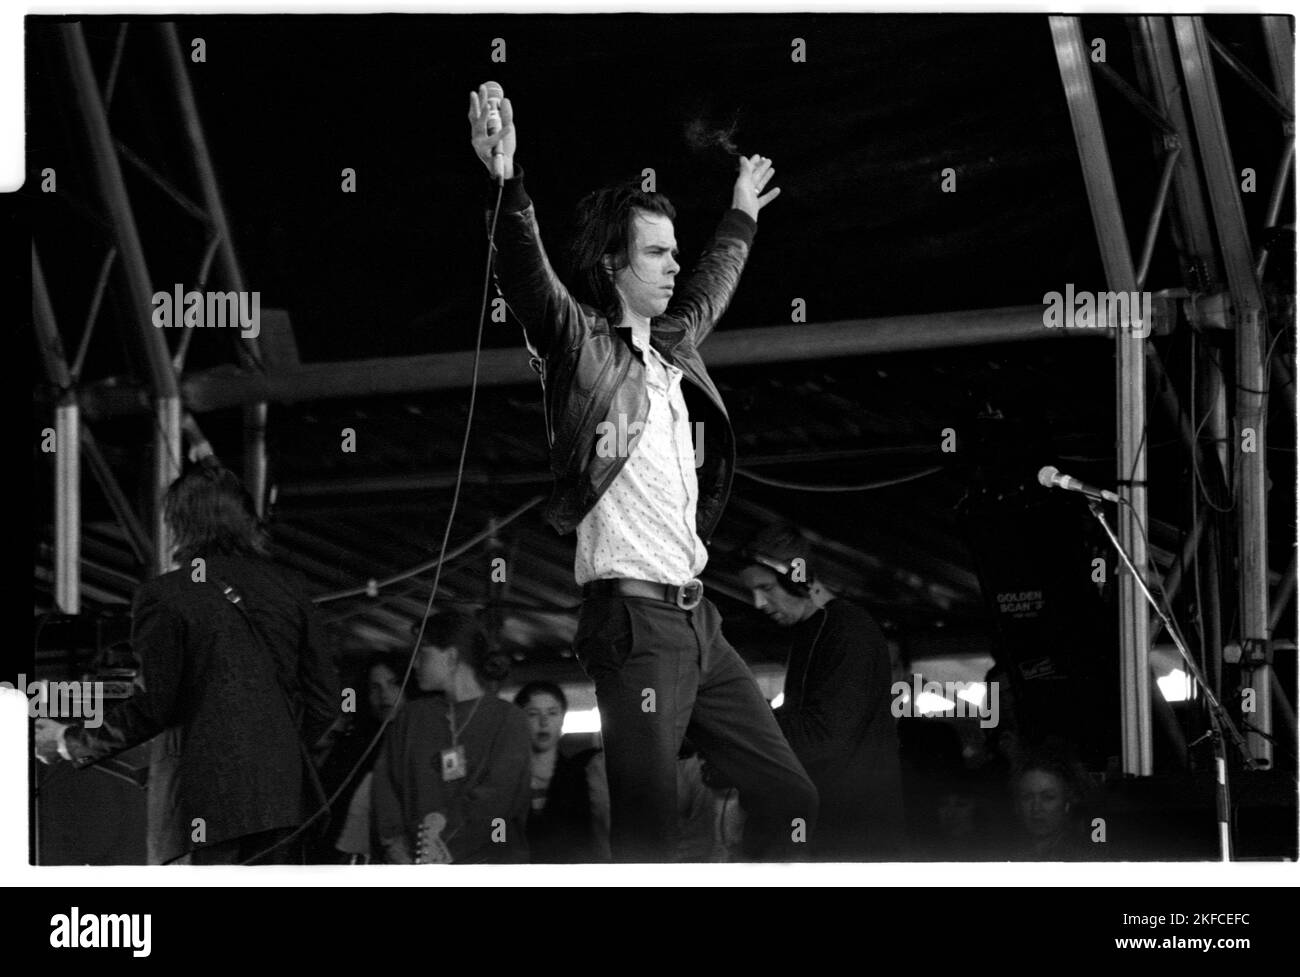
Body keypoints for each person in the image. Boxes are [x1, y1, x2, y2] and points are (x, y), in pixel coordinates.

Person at [468, 85, 817, 862]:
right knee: (649, 833)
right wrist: (506, 181)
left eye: (673, 250)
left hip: (701, 623)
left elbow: (711, 284)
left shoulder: (674, 347)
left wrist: (742, 214)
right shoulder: (582, 349)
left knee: (792, 794)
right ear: (612, 264)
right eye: (656, 253)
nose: (673, 265)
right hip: (634, 625)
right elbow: (529, 281)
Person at [34, 463, 340, 865]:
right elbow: (325, 702)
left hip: (199, 809)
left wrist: (67, 741)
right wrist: (270, 751)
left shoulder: (167, 596)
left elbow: (152, 706)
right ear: (247, 522)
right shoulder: (291, 589)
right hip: (281, 805)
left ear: (178, 524)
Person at [738, 524, 906, 860]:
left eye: (766, 588)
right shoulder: (811, 632)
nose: (758, 602)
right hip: (831, 830)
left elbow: (823, 736)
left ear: (797, 577)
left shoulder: (847, 630)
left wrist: (742, 734)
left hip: (856, 837)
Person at [371, 611, 531, 863]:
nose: (414, 663)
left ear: (452, 657)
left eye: (422, 651)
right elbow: (386, 787)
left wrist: (443, 841)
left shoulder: (509, 719)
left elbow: (498, 798)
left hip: (488, 867)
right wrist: (395, 845)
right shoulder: (410, 717)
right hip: (416, 867)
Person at [315, 651, 406, 862]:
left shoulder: (417, 741)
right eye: (375, 687)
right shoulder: (356, 743)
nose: (384, 694)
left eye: (393, 684)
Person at [513, 680, 611, 862]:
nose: (544, 722)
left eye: (552, 713)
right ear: (519, 720)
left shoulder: (582, 775)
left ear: (562, 719)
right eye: (533, 714)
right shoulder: (505, 779)